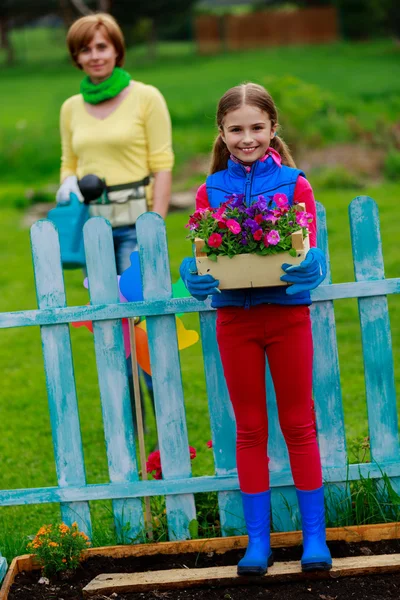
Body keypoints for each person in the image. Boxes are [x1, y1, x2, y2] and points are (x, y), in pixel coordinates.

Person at [180, 83, 331, 576]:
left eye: (256, 128)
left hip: (287, 316)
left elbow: (309, 245)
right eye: (236, 129)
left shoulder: (295, 183)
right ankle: (258, 545)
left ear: (273, 129)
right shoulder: (210, 191)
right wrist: (196, 275)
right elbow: (205, 252)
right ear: (221, 134)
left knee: (299, 425)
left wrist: (315, 267)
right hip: (234, 321)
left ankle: (314, 540)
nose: (247, 138)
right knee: (249, 429)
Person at [56, 13, 174, 423]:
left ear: (117, 49)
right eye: (85, 49)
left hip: (135, 224)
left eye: (101, 46)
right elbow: (68, 162)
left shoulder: (146, 97)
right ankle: (133, 421)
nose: (94, 56)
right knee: (110, 327)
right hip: (94, 230)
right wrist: (67, 181)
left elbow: (162, 165)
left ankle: (165, 419)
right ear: (76, 57)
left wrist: (153, 227)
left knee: (142, 323)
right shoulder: (71, 107)